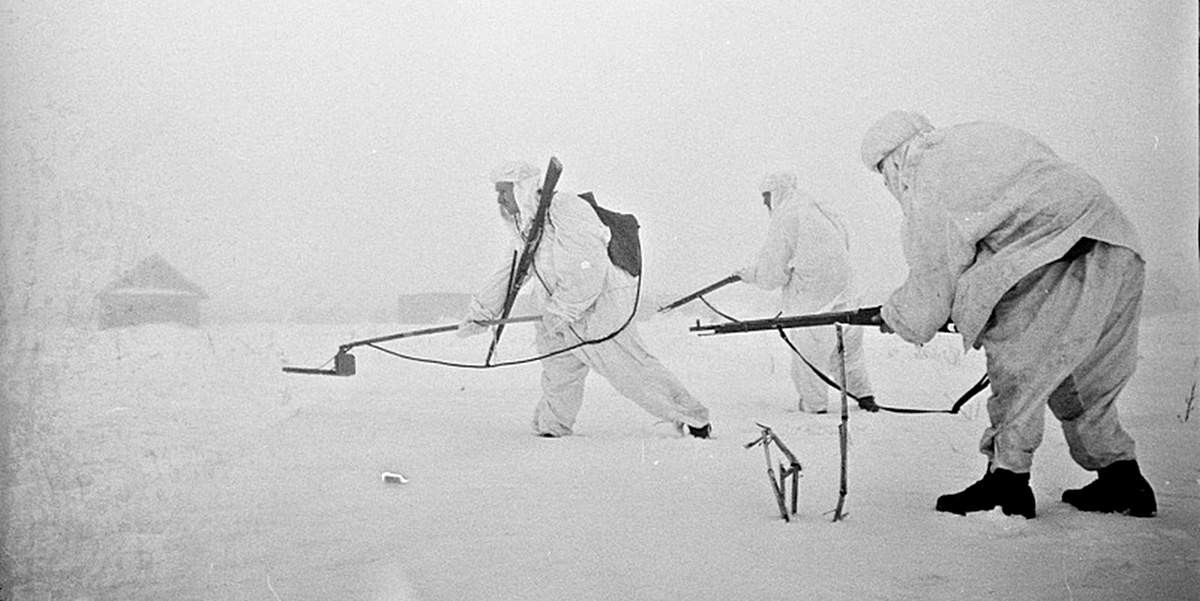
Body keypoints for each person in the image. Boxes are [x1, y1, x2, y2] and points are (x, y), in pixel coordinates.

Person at [861, 110, 1156, 519]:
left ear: (893, 159)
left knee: (1018, 370)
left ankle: (1006, 483)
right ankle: (1121, 478)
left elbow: (934, 274)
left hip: (1052, 255)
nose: (888, 183)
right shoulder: (980, 136)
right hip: (1114, 241)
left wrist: (897, 317)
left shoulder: (927, 175)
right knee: (1085, 378)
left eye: (882, 172)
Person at [458, 160, 712, 439]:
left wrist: (563, 310)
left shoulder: (566, 209)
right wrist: (481, 313)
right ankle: (552, 427)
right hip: (556, 313)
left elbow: (587, 266)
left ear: (521, 188)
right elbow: (509, 272)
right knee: (559, 374)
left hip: (597, 311)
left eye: (503, 191)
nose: (499, 199)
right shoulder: (527, 225)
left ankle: (694, 418)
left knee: (631, 372)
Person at [733, 171, 879, 414]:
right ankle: (865, 396)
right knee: (848, 351)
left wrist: (750, 275)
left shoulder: (786, 215)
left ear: (776, 192)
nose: (764, 203)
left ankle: (815, 406)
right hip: (849, 291)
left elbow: (772, 273)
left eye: (766, 196)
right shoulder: (818, 208)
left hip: (815, 298)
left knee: (809, 354)